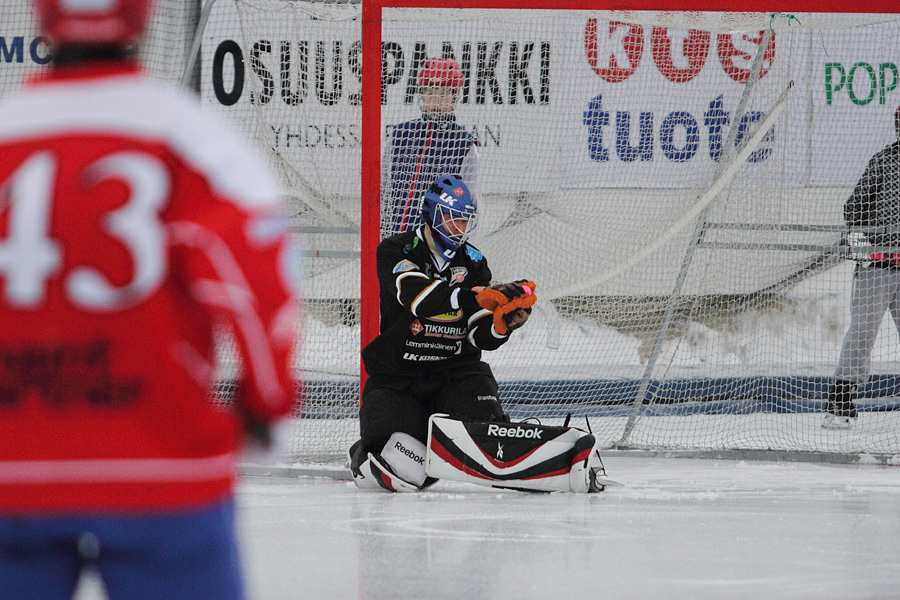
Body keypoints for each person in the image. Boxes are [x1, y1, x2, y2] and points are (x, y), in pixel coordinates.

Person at [0, 1, 300, 599]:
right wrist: (267, 400)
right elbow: (254, 273)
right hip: (163, 466)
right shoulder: (188, 134)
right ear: (142, 18)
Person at [348, 175, 608, 493]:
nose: (458, 228)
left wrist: (502, 324)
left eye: (464, 220)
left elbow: (477, 336)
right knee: (405, 468)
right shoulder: (395, 250)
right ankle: (365, 454)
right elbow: (419, 299)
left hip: (457, 374)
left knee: (490, 432)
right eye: (451, 218)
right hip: (400, 378)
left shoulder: (473, 261)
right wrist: (475, 296)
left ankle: (533, 456)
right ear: (430, 214)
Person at [825, 107, 900, 429]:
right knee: (863, 331)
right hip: (878, 264)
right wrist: (867, 243)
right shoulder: (884, 161)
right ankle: (840, 398)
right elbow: (854, 206)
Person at [381, 58, 479, 237]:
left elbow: (471, 200)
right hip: (397, 240)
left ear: (455, 97)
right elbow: (382, 188)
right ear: (422, 95)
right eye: (431, 93)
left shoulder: (464, 144)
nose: (436, 101)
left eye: (443, 94)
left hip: (438, 243)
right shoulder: (400, 135)